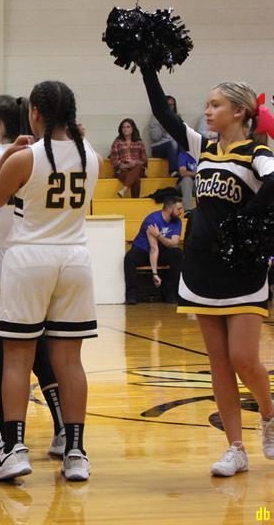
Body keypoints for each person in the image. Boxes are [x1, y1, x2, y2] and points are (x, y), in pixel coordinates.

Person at [141, 66, 274, 477]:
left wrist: (248, 222)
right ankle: (235, 448)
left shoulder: (256, 154)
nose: (208, 111)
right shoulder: (204, 147)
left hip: (242, 268)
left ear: (239, 111)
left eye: (215, 105)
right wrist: (147, 66)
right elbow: (164, 116)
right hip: (201, 266)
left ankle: (269, 414)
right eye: (207, 105)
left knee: (244, 358)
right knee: (218, 361)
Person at [0, 80, 99, 482]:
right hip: (75, 258)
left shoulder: (25, 157)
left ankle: (14, 449)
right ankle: (76, 451)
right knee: (70, 361)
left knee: (17, 358)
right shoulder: (92, 157)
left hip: (30, 257)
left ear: (35, 113)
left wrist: (5, 157)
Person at [0, 95, 67, 459]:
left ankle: (6, 432)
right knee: (37, 349)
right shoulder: (39, 155)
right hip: (28, 258)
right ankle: (62, 429)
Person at [123, 195, 184, 305]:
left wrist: (159, 236)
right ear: (170, 208)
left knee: (178, 253)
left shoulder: (177, 221)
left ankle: (171, 293)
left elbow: (174, 242)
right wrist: (154, 273)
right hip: (143, 251)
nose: (181, 212)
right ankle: (132, 294)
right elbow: (153, 248)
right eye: (179, 209)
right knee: (129, 257)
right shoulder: (152, 220)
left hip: (161, 251)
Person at [110, 118, 148, 198]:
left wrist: (134, 162)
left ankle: (124, 189)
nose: (125, 129)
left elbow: (144, 160)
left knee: (137, 167)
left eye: (128, 127)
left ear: (132, 128)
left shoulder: (139, 143)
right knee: (136, 180)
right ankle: (135, 202)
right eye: (123, 127)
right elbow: (114, 161)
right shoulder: (117, 142)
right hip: (122, 170)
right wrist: (127, 165)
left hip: (137, 168)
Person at [149, 95, 180, 175]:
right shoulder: (156, 117)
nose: (171, 107)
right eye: (168, 105)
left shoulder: (176, 117)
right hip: (159, 147)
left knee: (184, 145)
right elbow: (155, 137)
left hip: (174, 145)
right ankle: (173, 171)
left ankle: (185, 169)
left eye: (172, 105)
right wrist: (164, 126)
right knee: (172, 143)